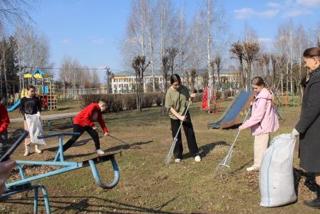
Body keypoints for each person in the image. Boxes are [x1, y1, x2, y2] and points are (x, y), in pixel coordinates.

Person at [292, 47, 320, 208]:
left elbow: (313, 107)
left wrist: (299, 127)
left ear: (316, 60)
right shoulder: (315, 77)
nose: (305, 65)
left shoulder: (318, 79)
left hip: (316, 130)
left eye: (306, 62)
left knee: (317, 167)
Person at [239, 76, 279, 172]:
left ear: (261, 86)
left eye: (256, 88)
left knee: (259, 147)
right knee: (263, 147)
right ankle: (264, 165)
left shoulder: (263, 98)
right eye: (253, 88)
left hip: (262, 126)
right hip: (264, 125)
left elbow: (257, 117)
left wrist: (243, 125)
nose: (254, 90)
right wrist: (254, 104)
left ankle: (258, 166)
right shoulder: (263, 95)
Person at [165, 74, 201, 163]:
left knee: (190, 133)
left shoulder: (184, 89)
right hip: (174, 116)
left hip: (185, 113)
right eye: (175, 85)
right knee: (176, 136)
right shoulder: (169, 92)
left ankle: (195, 153)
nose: (178, 86)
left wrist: (191, 98)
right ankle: (178, 155)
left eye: (179, 84)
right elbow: (170, 108)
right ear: (171, 84)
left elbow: (188, 101)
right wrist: (179, 117)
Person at [20, 85, 43, 156]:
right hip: (27, 119)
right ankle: (27, 150)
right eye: (31, 91)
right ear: (27, 91)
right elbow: (21, 109)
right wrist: (25, 115)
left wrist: (39, 113)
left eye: (34, 91)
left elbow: (39, 107)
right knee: (27, 134)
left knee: (36, 133)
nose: (33, 92)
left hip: (35, 118)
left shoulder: (36, 99)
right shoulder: (23, 99)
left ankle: (37, 148)